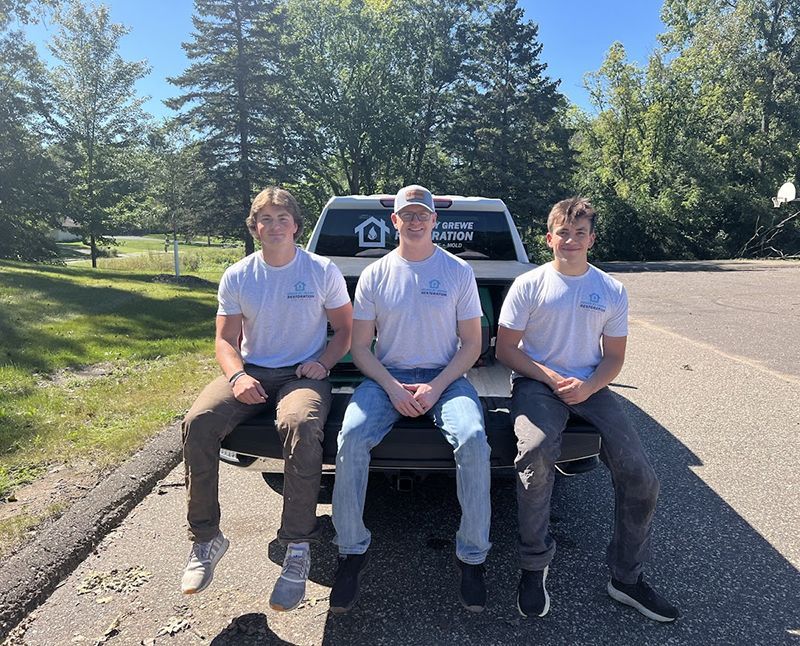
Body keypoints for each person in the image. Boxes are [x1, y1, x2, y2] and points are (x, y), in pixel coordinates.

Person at [495, 197, 678, 622]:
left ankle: (626, 579)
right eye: (563, 232)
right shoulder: (529, 285)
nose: (571, 239)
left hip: (592, 386)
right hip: (537, 384)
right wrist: (548, 377)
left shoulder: (610, 290)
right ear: (549, 238)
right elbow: (506, 349)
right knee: (536, 454)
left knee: (640, 475)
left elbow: (613, 357)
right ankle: (533, 568)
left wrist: (589, 384)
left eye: (580, 233)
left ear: (591, 239)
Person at [180, 187, 353, 613]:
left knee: (300, 424)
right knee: (198, 421)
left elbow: (345, 332)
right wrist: (237, 376)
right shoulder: (239, 275)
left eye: (282, 218)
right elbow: (224, 339)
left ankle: (296, 547)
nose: (274, 226)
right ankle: (206, 539)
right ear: (255, 228)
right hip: (252, 372)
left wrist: (324, 362)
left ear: (296, 225)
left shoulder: (320, 270)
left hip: (302, 375)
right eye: (265, 219)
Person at [329, 184, 492, 614]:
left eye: (423, 213)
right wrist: (393, 388)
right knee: (351, 437)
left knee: (474, 438)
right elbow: (361, 347)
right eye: (408, 214)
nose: (416, 220)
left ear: (434, 220)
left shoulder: (457, 271)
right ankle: (351, 550)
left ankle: (472, 557)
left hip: (446, 380)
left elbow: (472, 344)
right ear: (394, 221)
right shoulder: (375, 275)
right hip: (388, 378)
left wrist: (436, 386)